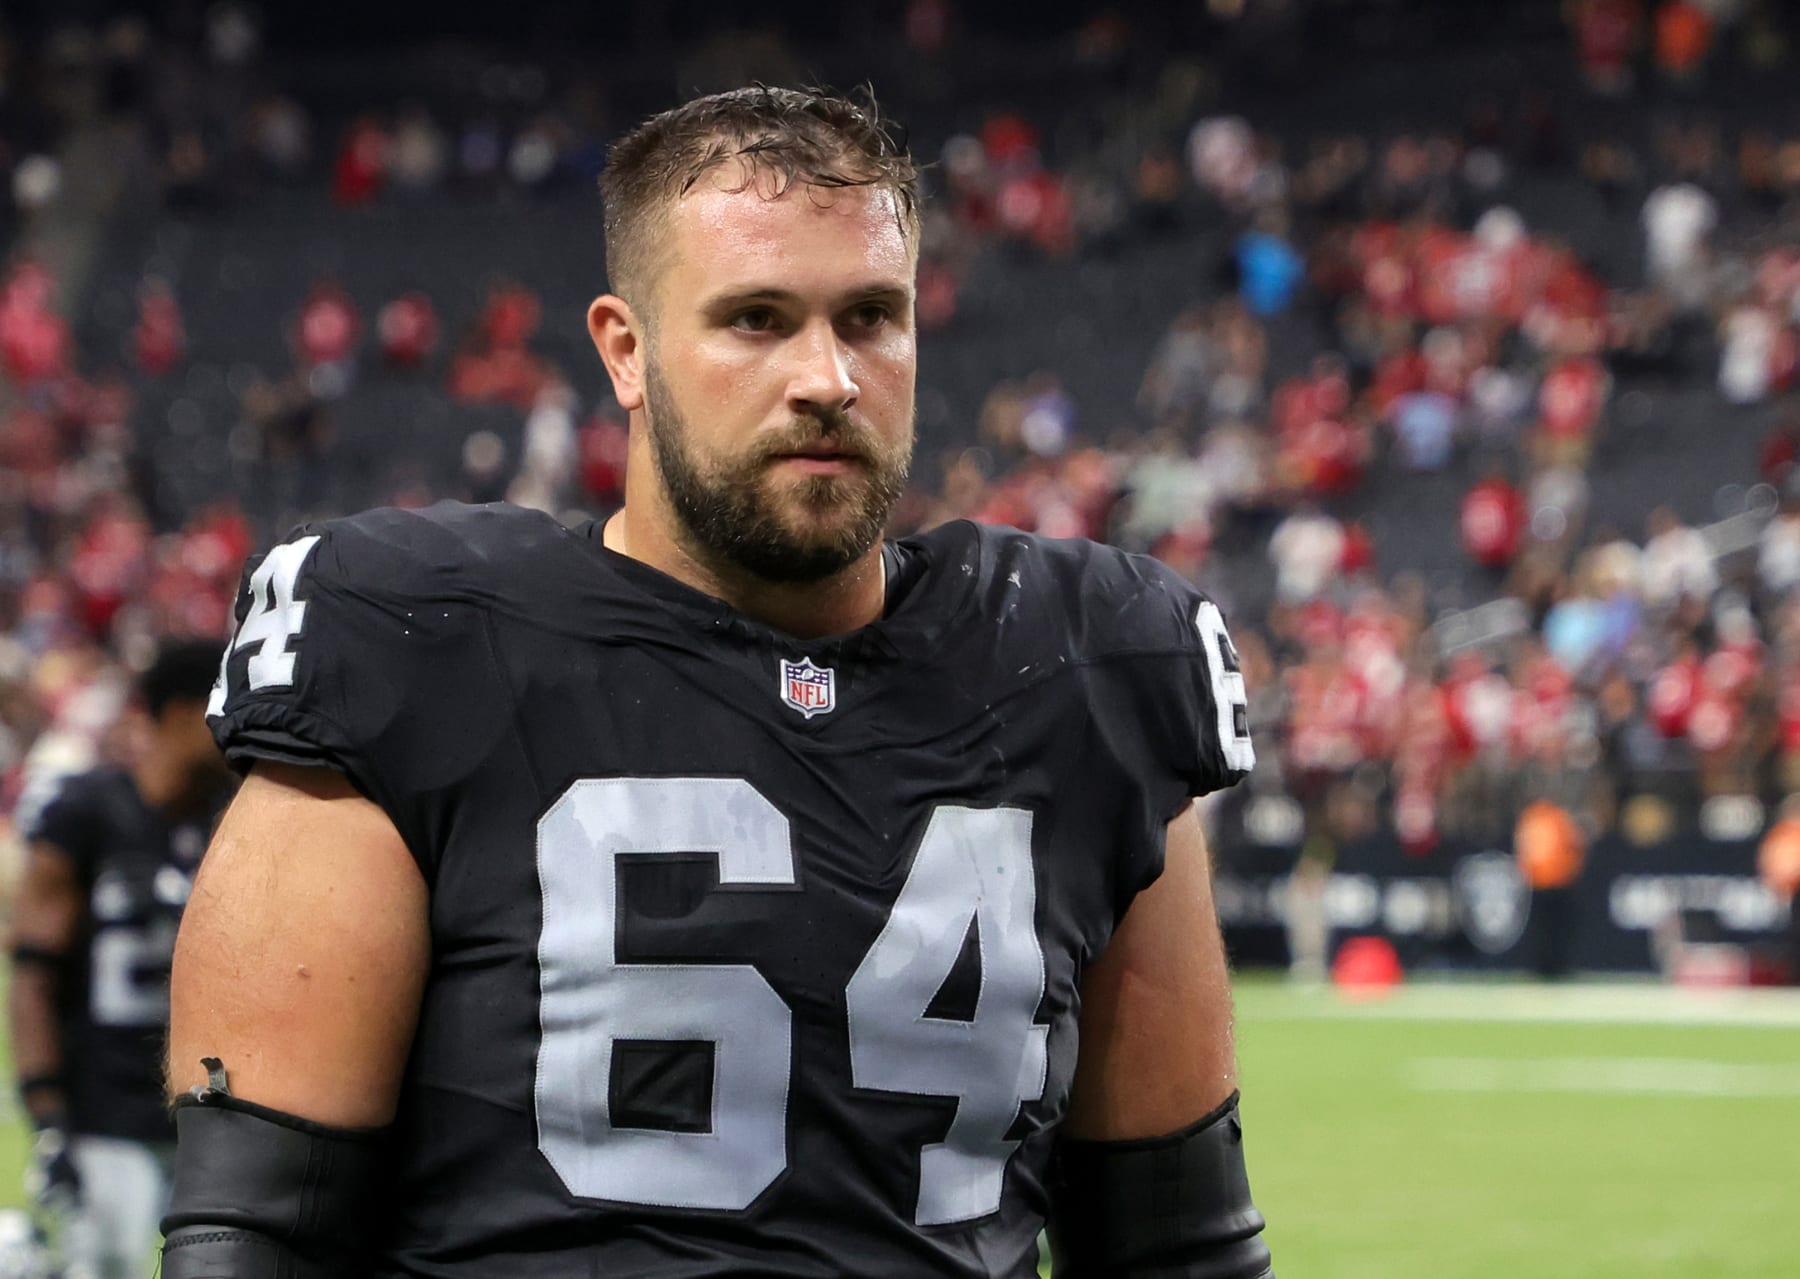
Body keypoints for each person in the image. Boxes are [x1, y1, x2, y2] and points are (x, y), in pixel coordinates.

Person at [161, 86, 1274, 1278]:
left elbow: (1179, 1249)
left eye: (871, 317)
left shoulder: (1089, 666)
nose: (828, 377)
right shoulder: (408, 636)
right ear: (626, 351)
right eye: (755, 318)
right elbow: (255, 1237)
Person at [7, 640, 233, 1277]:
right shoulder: (86, 812)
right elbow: (33, 974)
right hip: (105, 1113)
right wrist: (48, 1114)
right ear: (185, 712)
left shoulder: (235, 821)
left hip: (207, 1116)